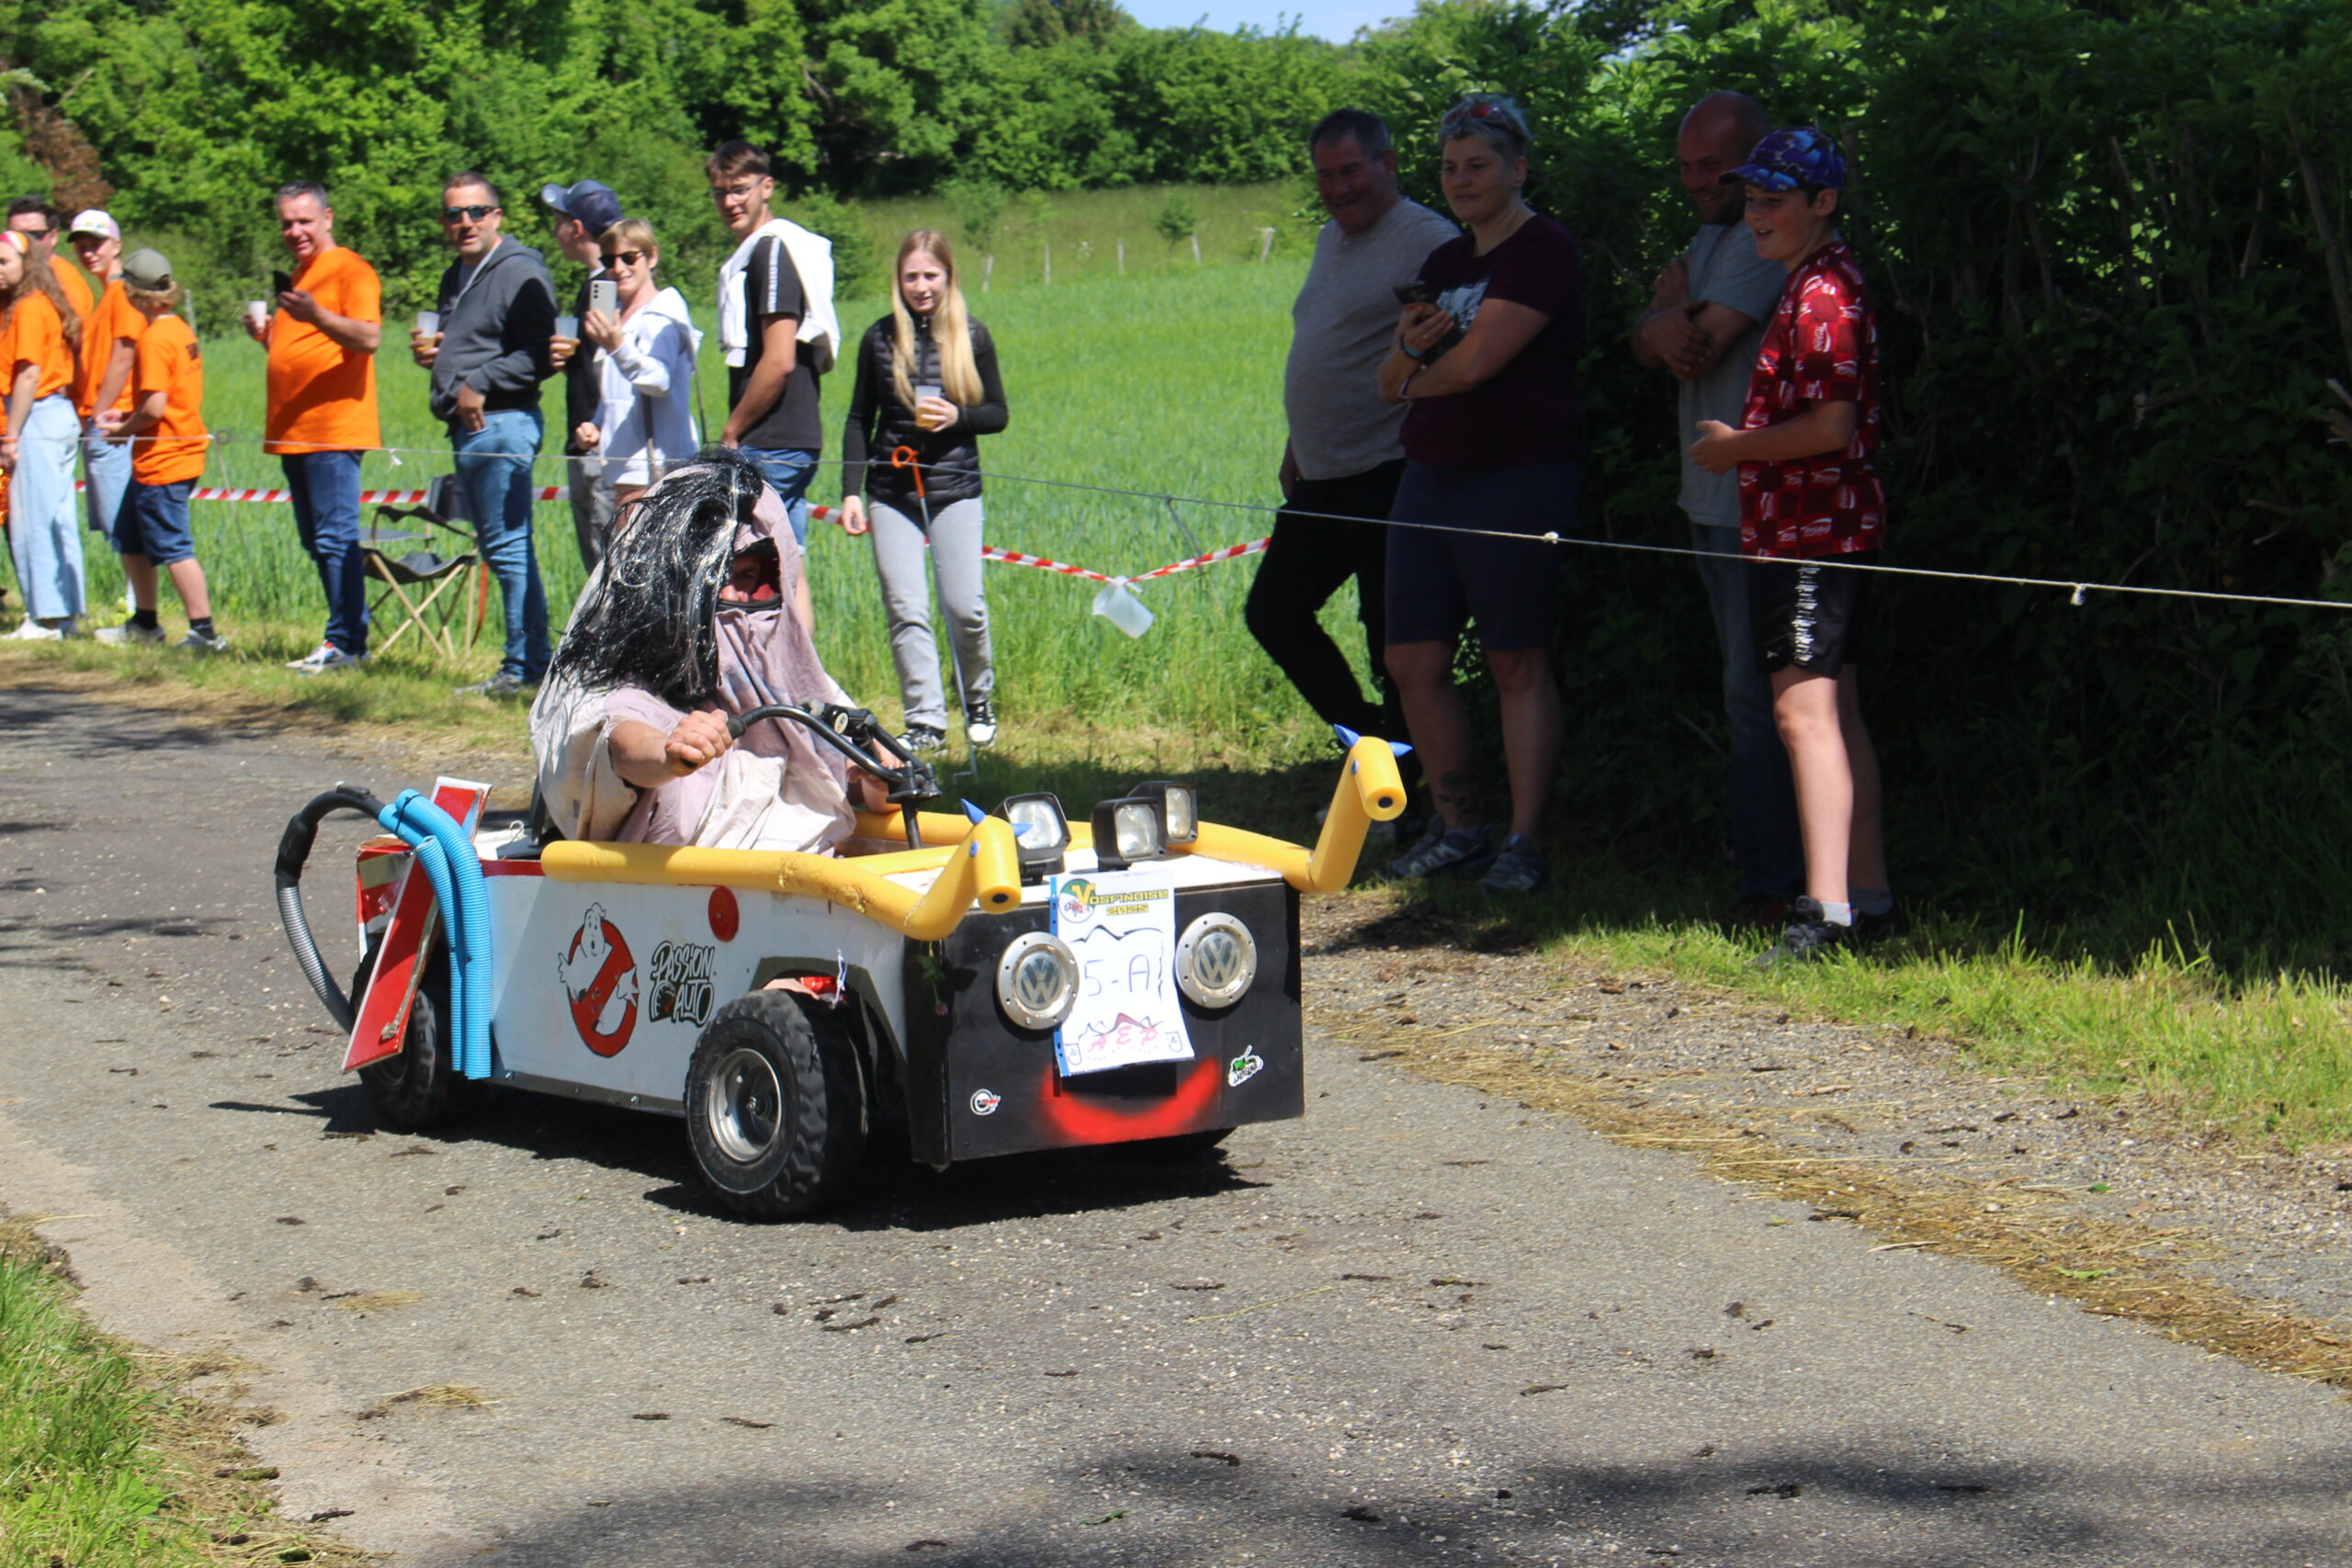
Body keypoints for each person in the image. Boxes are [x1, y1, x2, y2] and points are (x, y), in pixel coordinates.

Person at [1686, 128, 1894, 963]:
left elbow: (1832, 425)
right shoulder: (1816, 282)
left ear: (1824, 203)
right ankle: (1868, 899)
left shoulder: (1819, 296)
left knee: (1799, 715)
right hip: (1818, 528)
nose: (1756, 215)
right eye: (1753, 199)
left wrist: (1732, 449)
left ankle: (1826, 915)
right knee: (1834, 714)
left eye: (1774, 201)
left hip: (1812, 532)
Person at [1374, 95, 1585, 895]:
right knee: (1411, 657)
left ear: (1518, 168)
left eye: (1479, 165)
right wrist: (1412, 371)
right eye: (1450, 167)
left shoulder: (1543, 251)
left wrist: (1413, 374)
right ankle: (1458, 827)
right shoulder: (1444, 264)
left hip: (1516, 478)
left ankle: (1526, 841)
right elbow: (1386, 376)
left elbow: (1472, 367)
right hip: (1428, 477)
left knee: (1514, 660)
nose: (1461, 181)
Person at [1633, 91, 1807, 925]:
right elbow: (1663, 338)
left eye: (1715, 166)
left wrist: (1665, 315)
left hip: (1754, 506)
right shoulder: (1710, 237)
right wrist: (1661, 319)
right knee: (1744, 691)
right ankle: (1765, 866)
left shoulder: (1751, 242)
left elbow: (1699, 342)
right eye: (1687, 167)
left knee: (1758, 693)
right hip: (1707, 501)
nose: (1698, 181)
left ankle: (1773, 883)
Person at [531, 452, 881, 851]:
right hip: (687, 893)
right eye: (718, 578)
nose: (734, 595)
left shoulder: (791, 678)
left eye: (748, 577)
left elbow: (857, 778)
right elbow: (623, 744)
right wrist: (670, 755)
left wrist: (882, 781)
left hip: (802, 882)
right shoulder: (630, 678)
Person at [1253, 109, 1455, 762]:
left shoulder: (1426, 238)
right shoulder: (1328, 238)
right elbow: (1324, 344)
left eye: (1351, 172)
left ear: (1388, 164)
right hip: (1321, 474)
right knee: (1274, 611)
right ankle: (1371, 746)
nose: (1338, 188)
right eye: (1325, 175)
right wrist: (1296, 443)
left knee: (1391, 642)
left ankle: (1408, 796)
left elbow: (1445, 348)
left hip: (1389, 469)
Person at [836, 230, 1007, 754]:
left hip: (955, 488)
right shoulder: (878, 339)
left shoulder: (973, 337)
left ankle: (977, 699)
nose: (921, 286)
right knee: (905, 606)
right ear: (899, 281)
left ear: (948, 277)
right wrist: (850, 492)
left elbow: (997, 414)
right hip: (891, 489)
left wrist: (958, 417)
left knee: (965, 607)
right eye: (911, 276)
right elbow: (859, 418)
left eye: (930, 275)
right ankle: (926, 720)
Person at [411, 172, 558, 699]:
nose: (465, 223)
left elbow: (542, 353)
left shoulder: (520, 271)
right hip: (468, 426)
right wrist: (438, 355)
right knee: (500, 550)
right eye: (454, 214)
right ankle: (528, 662)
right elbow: (477, 341)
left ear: (497, 215)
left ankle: (523, 667)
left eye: (476, 212)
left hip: (501, 422)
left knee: (509, 549)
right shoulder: (458, 274)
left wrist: (477, 382)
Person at [254, 180, 381, 675]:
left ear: (327, 218)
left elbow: (368, 337)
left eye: (304, 221)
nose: (295, 231)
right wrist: (267, 338)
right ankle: (349, 635)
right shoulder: (301, 276)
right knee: (315, 539)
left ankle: (346, 641)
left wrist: (315, 314)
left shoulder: (350, 269)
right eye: (287, 222)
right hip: (295, 430)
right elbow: (302, 355)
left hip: (333, 429)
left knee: (334, 538)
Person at [708, 140, 839, 546]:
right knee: (789, 570)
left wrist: (731, 432)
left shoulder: (772, 251)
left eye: (740, 189)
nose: (730, 201)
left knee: (758, 581)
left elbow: (779, 359)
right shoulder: (767, 250)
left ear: (767, 187)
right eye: (720, 192)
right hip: (788, 440)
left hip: (772, 442)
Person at [93, 249, 220, 651]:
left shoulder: (153, 339)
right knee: (131, 537)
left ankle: (204, 633)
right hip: (166, 454)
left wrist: (122, 431)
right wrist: (125, 416)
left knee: (171, 546)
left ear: (132, 295)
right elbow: (162, 398)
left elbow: (155, 408)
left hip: (164, 459)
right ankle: (144, 625)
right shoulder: (179, 329)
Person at [572, 217, 700, 513]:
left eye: (629, 258)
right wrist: (597, 424)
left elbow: (659, 381)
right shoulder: (617, 315)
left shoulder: (662, 311)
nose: (618, 269)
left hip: (658, 469)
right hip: (626, 466)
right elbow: (619, 393)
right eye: (609, 259)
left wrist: (617, 347)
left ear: (651, 256)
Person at [0, 228, 85, 639]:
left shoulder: (31, 309)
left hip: (36, 417)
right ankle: (65, 613)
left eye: (3, 262)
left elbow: (29, 373)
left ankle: (45, 617)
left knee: (32, 519)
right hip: (55, 415)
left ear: (26, 264)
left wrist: (11, 435)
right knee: (57, 518)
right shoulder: (40, 303)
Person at [541, 178, 624, 570]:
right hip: (597, 443)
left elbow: (611, 365)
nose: (554, 232)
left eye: (558, 221)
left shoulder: (605, 285)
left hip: (598, 447)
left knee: (607, 568)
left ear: (575, 228)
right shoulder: (603, 282)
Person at [68, 210, 140, 547]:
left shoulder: (123, 290)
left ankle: (136, 597)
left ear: (117, 246)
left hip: (113, 418)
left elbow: (124, 357)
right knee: (114, 521)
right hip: (101, 417)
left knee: (121, 522)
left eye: (97, 244)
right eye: (82, 246)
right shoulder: (107, 295)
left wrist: (98, 412)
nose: (88, 252)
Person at [8, 199, 94, 321]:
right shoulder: (16, 275)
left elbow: (75, 333)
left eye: (35, 235)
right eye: (17, 235)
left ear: (53, 237)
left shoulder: (63, 280)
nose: (25, 241)